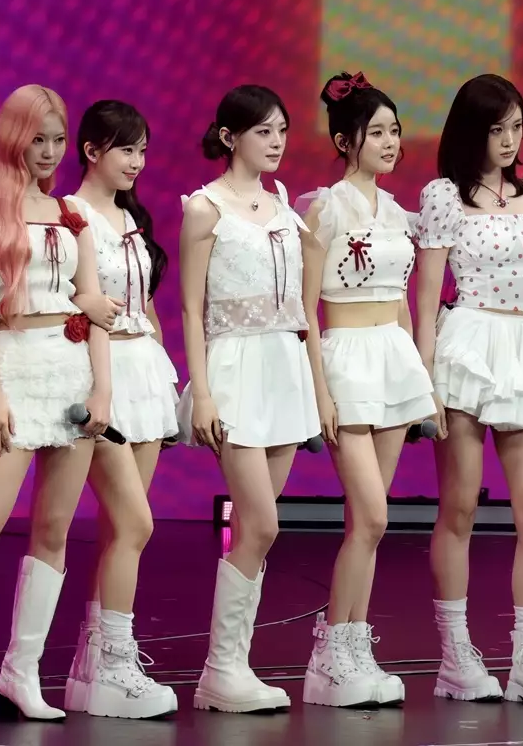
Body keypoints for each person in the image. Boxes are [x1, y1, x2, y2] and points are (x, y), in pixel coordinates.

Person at [0, 85, 175, 727]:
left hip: (73, 375)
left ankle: (21, 674)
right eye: (38, 139)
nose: (49, 152)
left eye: (57, 140)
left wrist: (101, 389)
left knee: (54, 532)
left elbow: (93, 306)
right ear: (12, 139)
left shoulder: (71, 214)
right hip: (16, 370)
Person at [414, 74, 523, 708]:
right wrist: (425, 380)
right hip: (466, 347)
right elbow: (426, 295)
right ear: (472, 132)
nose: (510, 140)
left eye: (517, 127)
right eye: (497, 129)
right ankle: (456, 656)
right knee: (459, 508)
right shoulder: (444, 196)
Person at [293, 72, 435, 708]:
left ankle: (351, 650)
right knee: (373, 515)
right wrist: (319, 391)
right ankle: (329, 652)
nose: (390, 142)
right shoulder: (326, 208)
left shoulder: (397, 213)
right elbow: (304, 305)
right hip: (346, 361)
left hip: (392, 360)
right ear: (345, 141)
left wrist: (419, 374)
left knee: (367, 526)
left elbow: (402, 301)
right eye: (377, 132)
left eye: (394, 131)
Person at [178, 85, 320, 713]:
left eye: (282, 130)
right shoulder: (204, 208)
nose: (277, 142)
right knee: (260, 523)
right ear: (229, 136)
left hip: (283, 368)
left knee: (256, 533)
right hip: (233, 368)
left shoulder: (283, 202)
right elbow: (190, 308)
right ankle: (222, 669)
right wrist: (203, 392)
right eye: (264, 131)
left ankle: (229, 670)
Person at [58, 100, 182, 714]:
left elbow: (144, 300)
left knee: (121, 531)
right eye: (126, 149)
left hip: (144, 372)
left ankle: (93, 669)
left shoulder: (130, 216)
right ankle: (113, 664)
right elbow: (74, 302)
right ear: (91, 150)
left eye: (142, 151)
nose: (137, 162)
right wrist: (96, 384)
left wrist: (163, 361)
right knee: (135, 523)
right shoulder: (71, 214)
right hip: (98, 375)